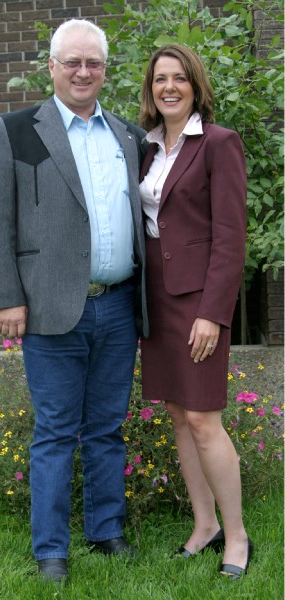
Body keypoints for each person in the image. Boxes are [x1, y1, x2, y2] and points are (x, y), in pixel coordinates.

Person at [0, 18, 148, 584]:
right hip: (47, 307)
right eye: (71, 62)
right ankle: (51, 549)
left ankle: (107, 530)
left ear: (104, 69)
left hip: (118, 306)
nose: (82, 71)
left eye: (92, 62)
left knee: (105, 426)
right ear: (52, 67)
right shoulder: (17, 130)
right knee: (54, 432)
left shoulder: (127, 135)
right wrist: (6, 298)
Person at [139, 44, 252, 580]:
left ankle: (236, 536)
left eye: (179, 78)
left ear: (195, 84)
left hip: (198, 302)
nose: (169, 88)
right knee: (180, 415)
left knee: (206, 419)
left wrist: (213, 311)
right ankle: (203, 524)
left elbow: (230, 237)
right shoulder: (146, 148)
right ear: (150, 88)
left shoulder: (218, 144)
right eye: (160, 79)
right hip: (156, 300)